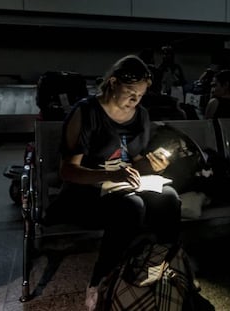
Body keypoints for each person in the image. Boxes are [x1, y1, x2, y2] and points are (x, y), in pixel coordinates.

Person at [50, 55, 181, 311]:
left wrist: (152, 164)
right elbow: (68, 171)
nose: (135, 100)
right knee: (131, 207)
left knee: (169, 198)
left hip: (124, 183)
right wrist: (111, 175)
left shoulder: (140, 115)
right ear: (112, 83)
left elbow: (136, 161)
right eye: (131, 92)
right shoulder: (86, 112)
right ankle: (101, 280)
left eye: (141, 95)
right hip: (87, 191)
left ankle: (161, 264)